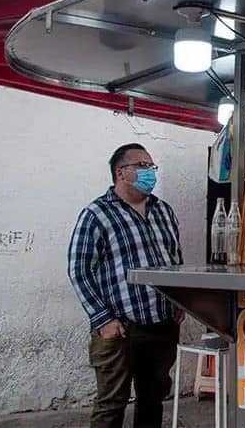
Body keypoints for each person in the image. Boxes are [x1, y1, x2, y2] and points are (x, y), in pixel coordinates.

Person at [68, 143, 185, 428]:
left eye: (152, 167)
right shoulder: (97, 214)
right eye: (142, 166)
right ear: (121, 172)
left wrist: (179, 302)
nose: (150, 173)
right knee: (111, 405)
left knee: (152, 399)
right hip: (119, 329)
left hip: (161, 325)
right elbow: (78, 270)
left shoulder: (163, 211)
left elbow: (175, 260)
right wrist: (103, 319)